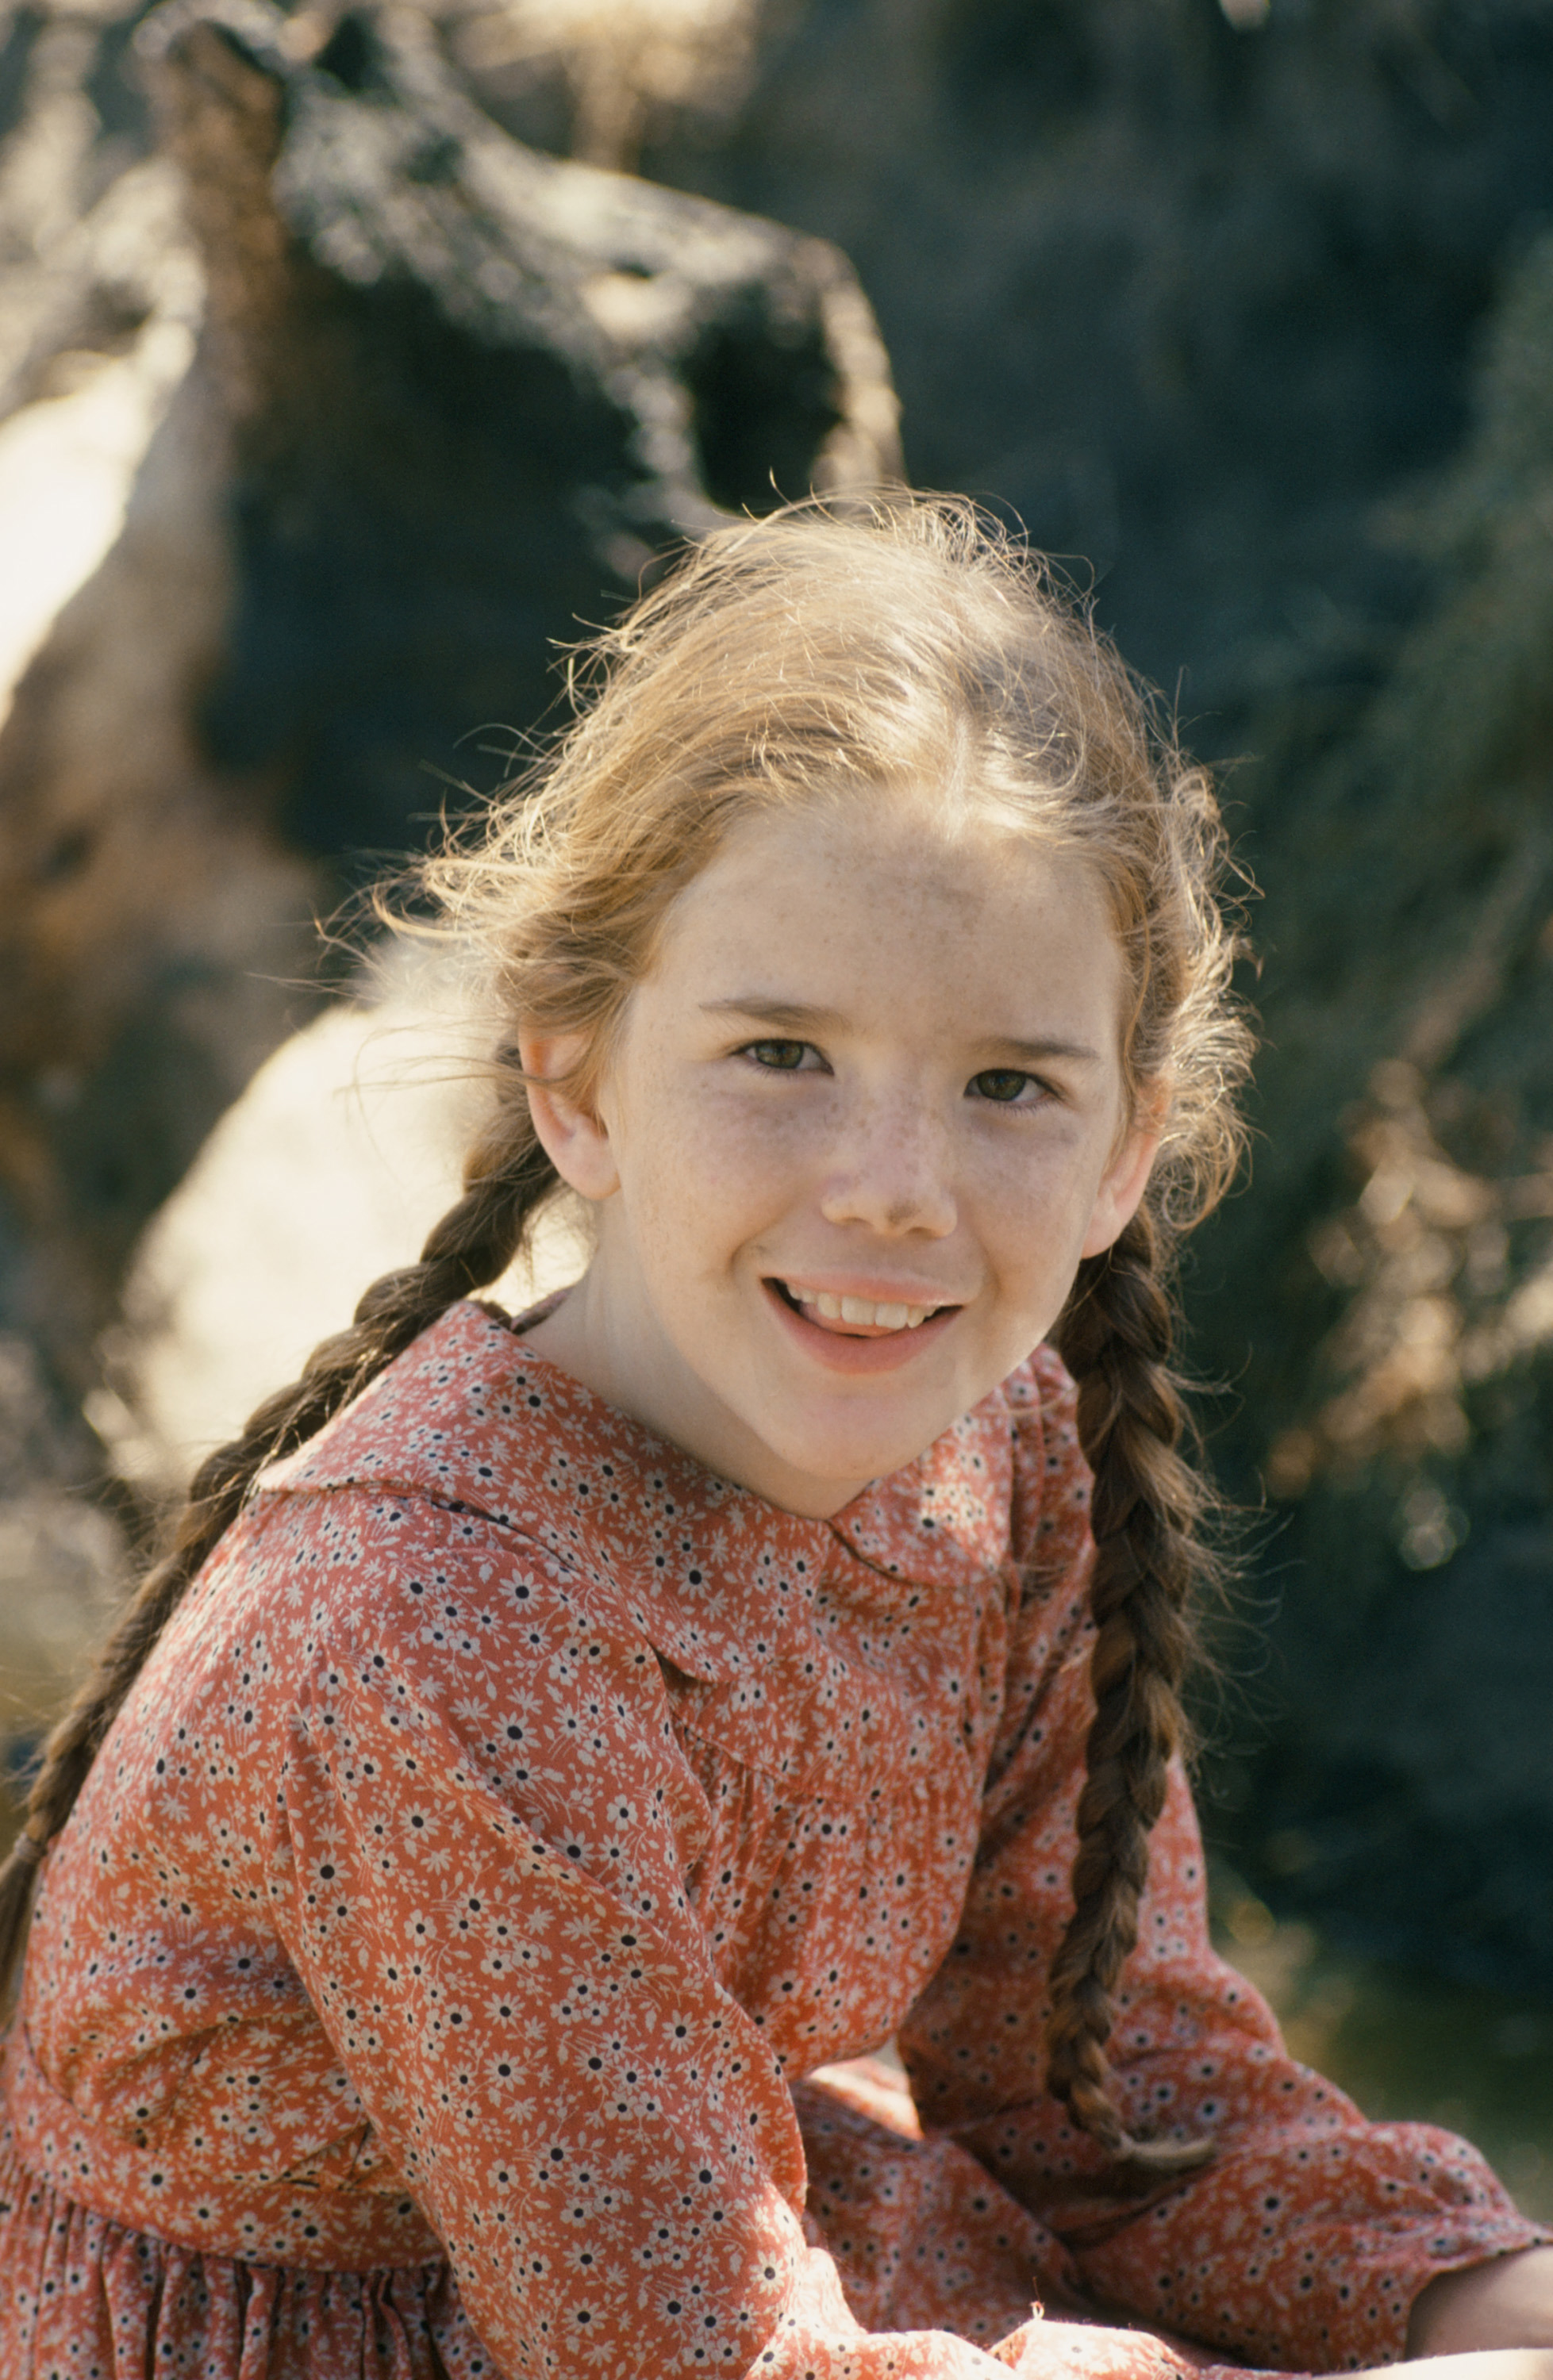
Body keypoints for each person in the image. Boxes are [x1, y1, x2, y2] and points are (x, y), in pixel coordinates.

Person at [0, 497, 1547, 2380]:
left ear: (1125, 1147)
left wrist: (1472, 2299)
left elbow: (1103, 2094)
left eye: (1005, 1086)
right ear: (573, 1080)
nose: (892, 1192)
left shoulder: (1002, 1451)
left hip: (731, 2258)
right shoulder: (434, 1642)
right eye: (780, 1056)